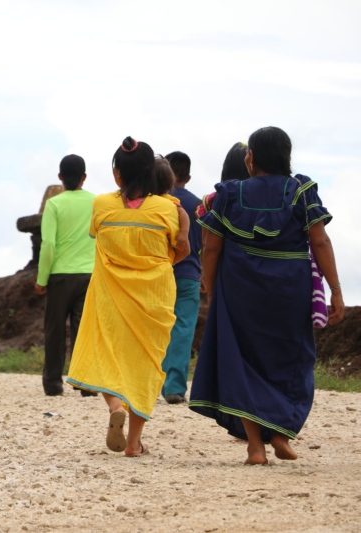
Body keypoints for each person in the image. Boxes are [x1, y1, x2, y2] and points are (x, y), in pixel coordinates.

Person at [190, 126, 344, 465]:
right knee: (292, 356)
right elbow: (319, 242)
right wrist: (334, 290)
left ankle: (255, 447)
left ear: (251, 158)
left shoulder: (230, 194)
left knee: (243, 361)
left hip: (240, 287)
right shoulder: (301, 189)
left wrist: (214, 293)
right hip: (291, 287)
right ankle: (281, 434)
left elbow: (211, 247)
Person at [66, 136, 182, 457]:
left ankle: (115, 405)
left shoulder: (102, 204)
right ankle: (133, 443)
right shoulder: (167, 209)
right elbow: (180, 248)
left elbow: (96, 234)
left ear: (118, 174)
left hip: (110, 294)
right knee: (148, 364)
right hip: (154, 297)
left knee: (105, 354)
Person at [34, 154, 96, 397]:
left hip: (60, 276)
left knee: (55, 330)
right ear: (84, 177)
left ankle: (53, 384)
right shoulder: (96, 202)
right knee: (84, 331)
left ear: (60, 178)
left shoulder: (54, 204)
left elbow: (48, 244)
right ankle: (86, 383)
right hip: (89, 274)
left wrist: (41, 279)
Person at [159, 152, 202, 405]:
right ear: (188, 176)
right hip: (189, 274)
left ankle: (152, 381)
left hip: (159, 274)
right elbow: (205, 245)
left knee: (156, 327)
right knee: (183, 327)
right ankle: (174, 387)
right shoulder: (198, 205)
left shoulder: (156, 203)